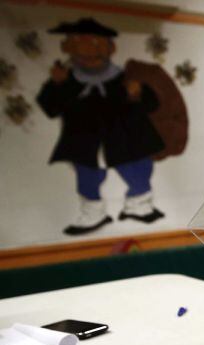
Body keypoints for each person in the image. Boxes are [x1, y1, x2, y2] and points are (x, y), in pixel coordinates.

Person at [37, 17, 166, 236]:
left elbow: (152, 104)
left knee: (139, 170)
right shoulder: (66, 81)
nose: (87, 49)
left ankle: (139, 206)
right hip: (86, 141)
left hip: (127, 138)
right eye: (78, 42)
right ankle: (92, 214)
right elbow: (51, 108)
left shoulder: (125, 77)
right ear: (66, 47)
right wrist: (59, 85)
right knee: (87, 176)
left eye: (96, 43)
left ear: (110, 47)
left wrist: (138, 94)